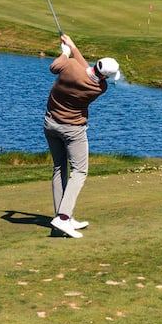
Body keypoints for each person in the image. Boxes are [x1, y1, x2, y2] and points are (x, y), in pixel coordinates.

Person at [43, 33, 120, 238]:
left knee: (60, 168)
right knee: (80, 171)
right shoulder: (100, 87)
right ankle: (63, 218)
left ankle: (63, 215)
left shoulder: (68, 67)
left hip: (50, 124)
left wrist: (66, 52)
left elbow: (58, 67)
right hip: (73, 130)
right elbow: (86, 73)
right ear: (105, 76)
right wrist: (73, 49)